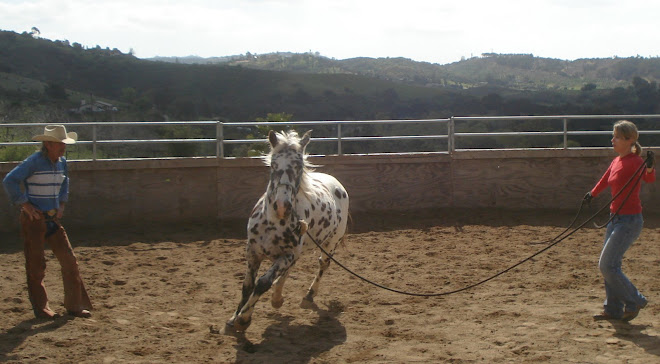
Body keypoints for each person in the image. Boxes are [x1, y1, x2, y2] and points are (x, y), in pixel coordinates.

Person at [3, 125, 92, 319]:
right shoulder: (34, 162)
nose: (63, 147)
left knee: (70, 261)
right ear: (48, 144)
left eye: (64, 144)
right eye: (60, 144)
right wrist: (24, 205)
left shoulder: (61, 162)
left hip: (52, 218)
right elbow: (9, 180)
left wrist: (61, 204)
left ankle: (75, 305)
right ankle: (42, 308)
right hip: (34, 220)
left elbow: (65, 183)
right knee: (36, 264)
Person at [584, 120, 655, 322]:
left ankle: (635, 300)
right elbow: (606, 179)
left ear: (629, 140)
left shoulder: (635, 162)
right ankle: (613, 309)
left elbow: (649, 179)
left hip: (629, 221)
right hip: (615, 219)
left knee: (607, 266)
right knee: (611, 265)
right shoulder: (617, 161)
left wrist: (649, 167)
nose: (612, 140)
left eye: (616, 136)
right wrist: (592, 194)